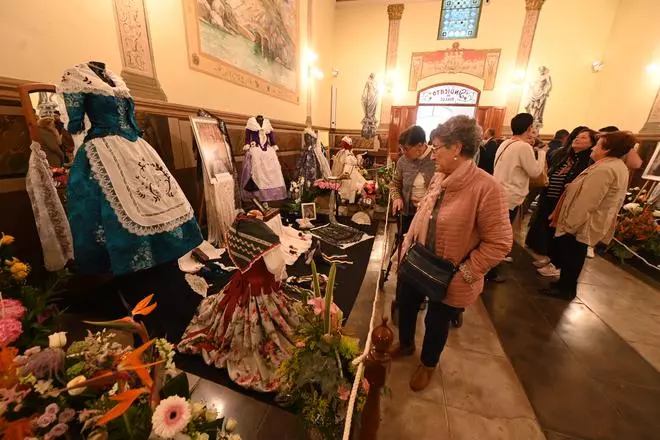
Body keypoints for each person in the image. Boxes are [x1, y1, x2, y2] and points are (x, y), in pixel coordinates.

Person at [390, 116, 512, 392]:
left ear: (456, 148)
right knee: (407, 305)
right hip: (419, 257)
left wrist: (465, 273)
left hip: (450, 270)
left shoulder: (486, 187)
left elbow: (501, 242)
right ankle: (406, 344)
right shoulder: (441, 177)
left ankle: (428, 363)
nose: (433, 155)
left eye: (437, 148)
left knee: (437, 320)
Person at [178, 214, 302, 391]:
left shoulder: (237, 228)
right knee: (266, 328)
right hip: (260, 292)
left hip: (240, 283)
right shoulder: (266, 240)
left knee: (232, 315)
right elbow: (275, 267)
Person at [542, 131, 636, 300]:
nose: (593, 148)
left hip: (583, 223)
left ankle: (566, 289)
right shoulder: (613, 165)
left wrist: (570, 225)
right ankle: (564, 284)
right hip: (587, 222)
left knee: (572, 256)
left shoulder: (605, 169)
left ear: (608, 150)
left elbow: (588, 201)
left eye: (599, 145)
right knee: (573, 255)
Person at [529, 129, 598, 276]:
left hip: (565, 203)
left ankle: (556, 264)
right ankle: (550, 258)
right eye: (577, 136)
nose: (577, 139)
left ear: (592, 143)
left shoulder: (588, 161)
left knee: (560, 234)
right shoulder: (567, 155)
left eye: (583, 138)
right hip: (550, 198)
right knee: (549, 230)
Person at [390, 126, 435, 232]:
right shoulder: (403, 161)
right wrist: (396, 198)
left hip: (429, 216)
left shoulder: (436, 159)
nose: (403, 152)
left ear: (419, 146)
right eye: (401, 148)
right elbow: (394, 184)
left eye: (406, 148)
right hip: (407, 214)